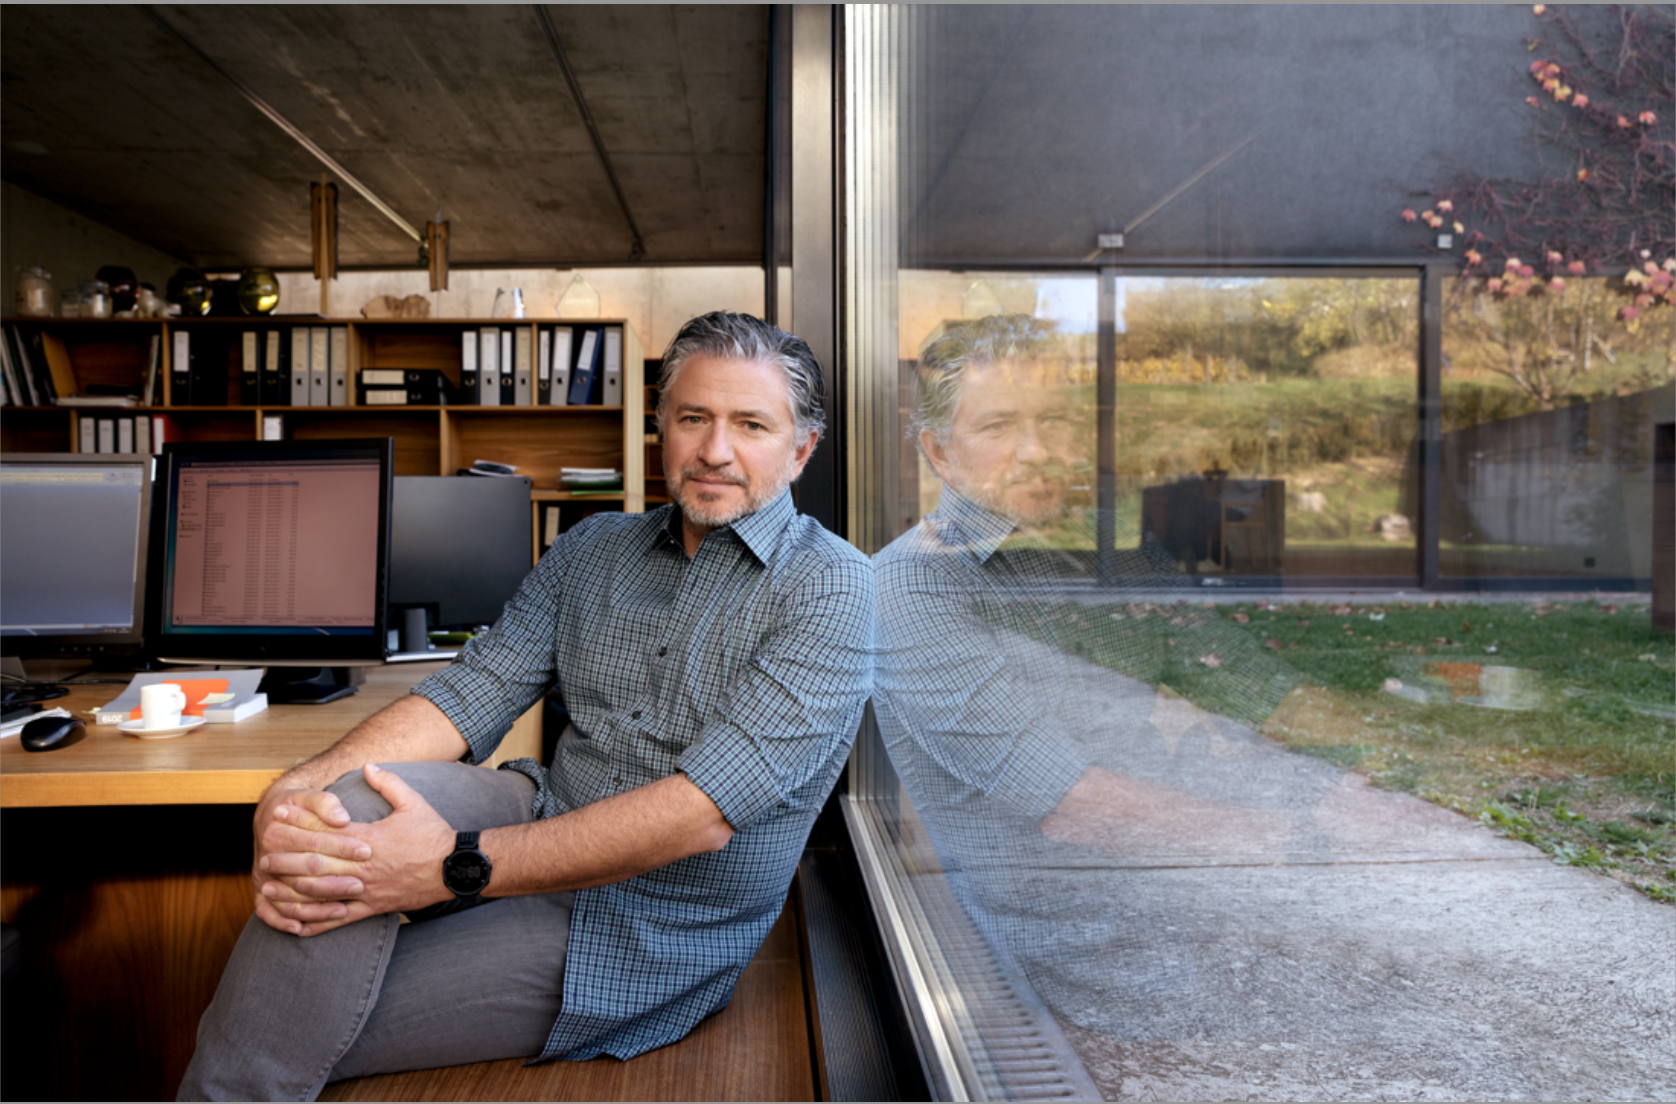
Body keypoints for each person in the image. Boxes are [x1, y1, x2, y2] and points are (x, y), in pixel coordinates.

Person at [179, 312, 874, 1100]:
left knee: (290, 1023)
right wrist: (293, 794)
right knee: (343, 806)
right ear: (661, 428)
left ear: (801, 450)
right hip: (541, 810)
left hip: (644, 926)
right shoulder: (593, 547)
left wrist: (450, 868)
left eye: (750, 424)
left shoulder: (831, 587)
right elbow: (472, 691)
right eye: (693, 418)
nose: (715, 450)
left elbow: (698, 816)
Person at [872, 315, 1352, 1035]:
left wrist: (1365, 774)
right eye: (999, 424)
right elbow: (1072, 804)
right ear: (940, 453)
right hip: (1061, 982)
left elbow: (1256, 687)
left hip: (1192, 916)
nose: (1037, 451)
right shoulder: (906, 588)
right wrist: (1303, 843)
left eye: (1058, 421)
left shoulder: (1111, 559)